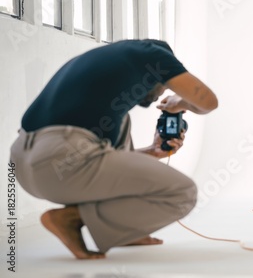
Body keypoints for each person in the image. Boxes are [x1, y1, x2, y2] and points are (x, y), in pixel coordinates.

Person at [9, 39, 218, 259]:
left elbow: (100, 158)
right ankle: (71, 218)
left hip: (25, 164)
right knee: (183, 192)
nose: (162, 92)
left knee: (121, 119)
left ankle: (125, 233)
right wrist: (179, 102)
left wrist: (151, 152)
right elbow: (208, 102)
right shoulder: (154, 55)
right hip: (60, 161)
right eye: (166, 84)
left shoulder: (104, 59)